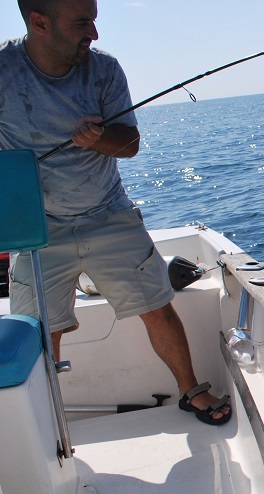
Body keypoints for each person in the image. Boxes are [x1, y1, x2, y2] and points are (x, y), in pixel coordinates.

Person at [0, 0, 231, 425]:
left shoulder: (104, 69)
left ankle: (190, 389)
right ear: (39, 22)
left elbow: (130, 145)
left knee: (157, 304)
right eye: (82, 23)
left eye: (95, 20)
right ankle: (42, 420)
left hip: (108, 214)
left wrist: (99, 139)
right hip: (37, 228)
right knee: (37, 330)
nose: (94, 33)